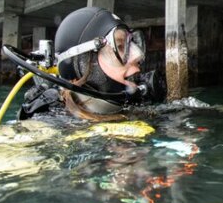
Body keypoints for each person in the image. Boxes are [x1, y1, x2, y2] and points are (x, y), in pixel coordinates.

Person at [18, 7, 165, 121]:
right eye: (120, 47)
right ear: (82, 64)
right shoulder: (48, 123)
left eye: (132, 44)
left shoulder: (139, 106)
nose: (137, 55)